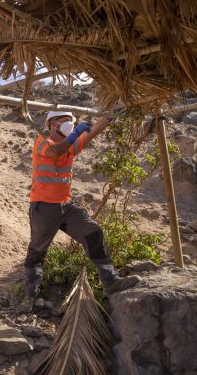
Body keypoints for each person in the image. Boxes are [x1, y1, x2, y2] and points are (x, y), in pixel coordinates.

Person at [21, 111, 141, 312]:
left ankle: (110, 281)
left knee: (93, 232)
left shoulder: (70, 145)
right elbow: (55, 152)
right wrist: (74, 134)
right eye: (64, 122)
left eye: (71, 122)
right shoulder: (42, 141)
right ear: (52, 124)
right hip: (43, 207)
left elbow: (93, 132)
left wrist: (111, 115)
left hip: (66, 206)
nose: (69, 124)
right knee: (37, 251)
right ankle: (30, 296)